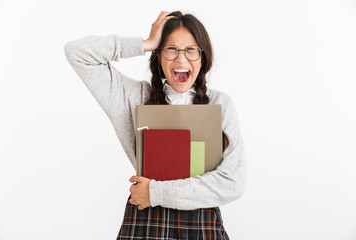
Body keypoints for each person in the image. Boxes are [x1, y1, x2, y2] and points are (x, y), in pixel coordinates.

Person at [64, 10, 246, 240]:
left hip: (200, 223)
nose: (181, 59)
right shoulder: (133, 97)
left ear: (203, 57)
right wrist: (146, 43)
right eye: (171, 49)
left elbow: (233, 183)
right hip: (147, 222)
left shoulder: (221, 104)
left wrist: (155, 192)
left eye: (191, 50)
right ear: (159, 56)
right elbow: (77, 53)